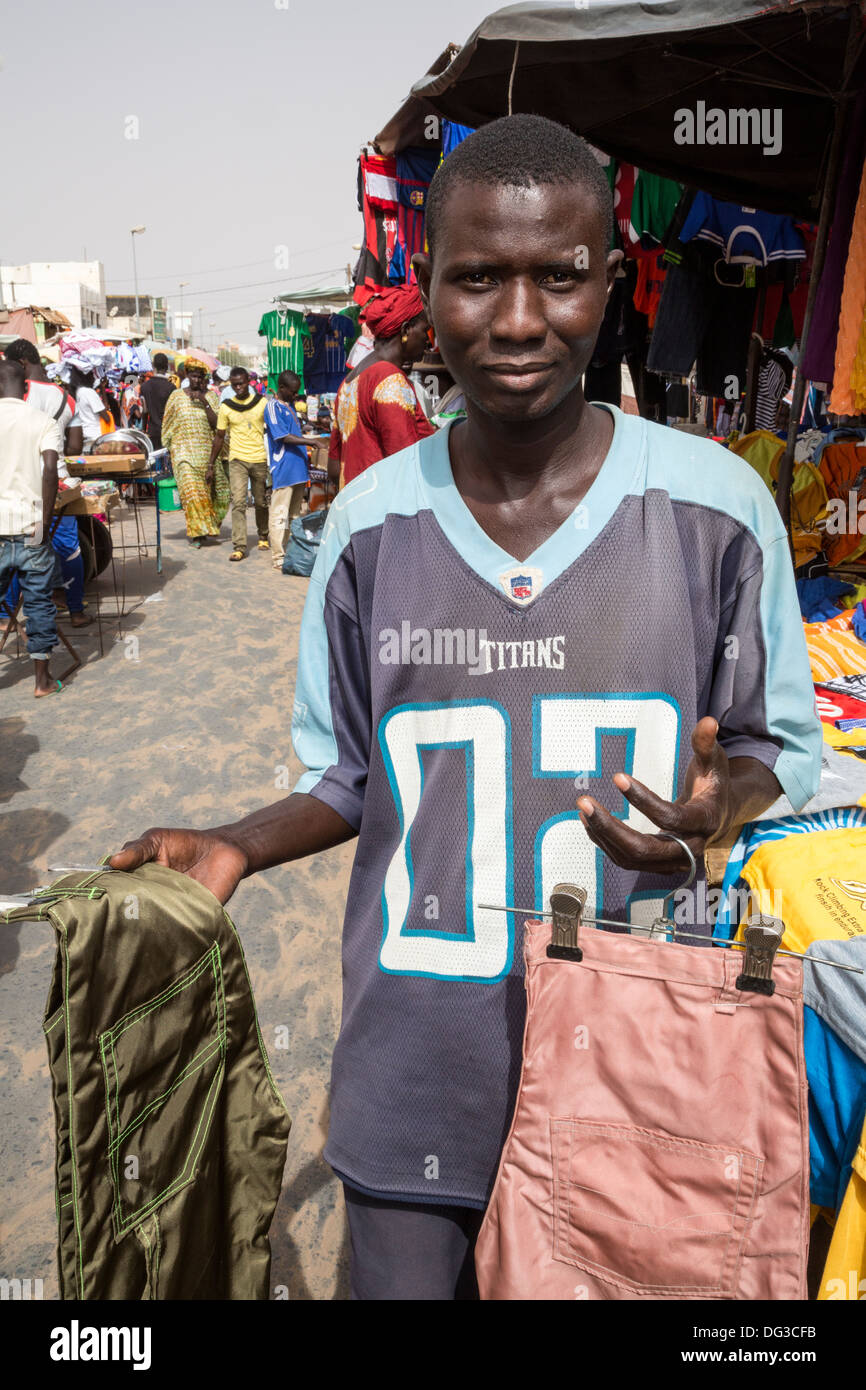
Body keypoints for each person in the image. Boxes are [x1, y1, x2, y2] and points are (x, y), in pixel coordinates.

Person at [111, 115, 822, 1299]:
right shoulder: (369, 525)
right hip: (413, 1076)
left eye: (556, 277)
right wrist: (239, 839)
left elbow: (769, 749)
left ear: (608, 278)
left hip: (637, 1075)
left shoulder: (715, 508)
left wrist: (718, 803)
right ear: (423, 284)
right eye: (476, 276)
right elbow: (347, 774)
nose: (516, 319)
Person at [1, 340, 91, 631]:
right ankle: (75, 611)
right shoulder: (65, 396)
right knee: (65, 546)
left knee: (18, 551)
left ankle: (7, 618)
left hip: (18, 493)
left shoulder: (13, 394)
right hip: (54, 490)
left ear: (19, 365)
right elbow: (75, 444)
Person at [328, 285, 433, 490]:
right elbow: (405, 466)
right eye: (425, 330)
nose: (428, 341)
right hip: (385, 513)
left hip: (356, 508)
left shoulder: (349, 381)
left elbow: (334, 467)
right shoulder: (389, 379)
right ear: (405, 331)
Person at [0, 358, 64, 696]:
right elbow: (50, 469)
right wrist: (45, 518)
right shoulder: (42, 421)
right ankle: (41, 682)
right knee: (39, 603)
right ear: (26, 387)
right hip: (32, 524)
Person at [160, 358, 228, 548]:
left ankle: (208, 524)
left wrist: (204, 402)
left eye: (199, 377)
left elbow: (218, 426)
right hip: (184, 454)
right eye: (193, 376)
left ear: (204, 377)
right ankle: (197, 534)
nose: (196, 380)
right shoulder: (176, 396)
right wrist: (169, 447)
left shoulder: (212, 397)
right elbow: (168, 422)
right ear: (187, 376)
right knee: (193, 494)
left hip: (208, 455)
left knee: (222, 494)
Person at [207, 367, 268, 562]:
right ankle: (240, 546)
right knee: (239, 502)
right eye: (235, 385)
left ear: (248, 382)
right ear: (231, 385)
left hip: (259, 458)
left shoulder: (262, 403)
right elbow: (219, 437)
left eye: (241, 383)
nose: (239, 387)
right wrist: (210, 464)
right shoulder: (226, 406)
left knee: (260, 501)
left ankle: (263, 535)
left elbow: (274, 431)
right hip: (237, 460)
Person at [264, 370, 318, 571]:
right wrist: (310, 441)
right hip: (285, 469)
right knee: (280, 512)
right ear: (283, 388)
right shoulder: (272, 407)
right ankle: (278, 555)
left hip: (299, 469)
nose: (296, 396)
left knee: (294, 515)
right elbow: (282, 436)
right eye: (293, 392)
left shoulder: (290, 407)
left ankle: (290, 550)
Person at [67, 366, 113, 444]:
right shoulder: (88, 392)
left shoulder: (78, 391)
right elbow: (106, 416)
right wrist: (102, 387)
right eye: (92, 374)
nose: (94, 377)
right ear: (86, 376)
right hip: (96, 437)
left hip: (86, 435)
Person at [140, 353, 175, 451]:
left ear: (153, 365)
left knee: (154, 460)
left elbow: (145, 411)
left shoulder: (144, 387)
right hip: (168, 431)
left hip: (152, 431)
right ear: (167, 366)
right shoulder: (171, 387)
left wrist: (144, 428)